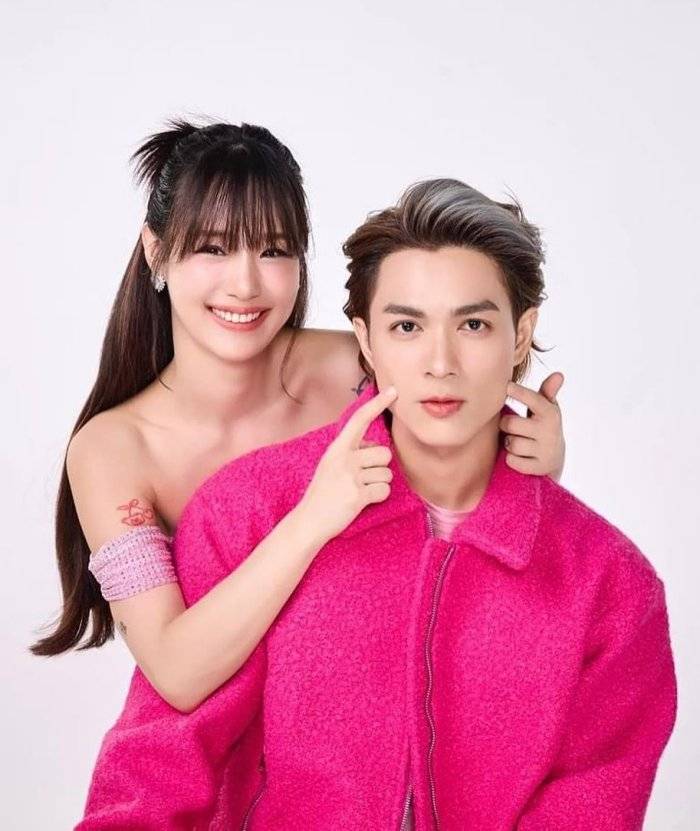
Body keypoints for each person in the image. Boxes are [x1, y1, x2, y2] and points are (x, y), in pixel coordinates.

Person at [77, 178, 676, 830]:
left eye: (474, 324)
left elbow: (594, 799)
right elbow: (160, 767)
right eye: (407, 326)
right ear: (365, 341)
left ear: (521, 334)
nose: (440, 362)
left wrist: (536, 492)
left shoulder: (611, 583)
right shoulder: (244, 513)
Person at [31, 120, 566, 716]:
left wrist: (538, 465)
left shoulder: (358, 368)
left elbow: (466, 524)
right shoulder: (112, 450)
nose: (245, 284)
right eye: (213, 248)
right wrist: (314, 517)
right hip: (233, 744)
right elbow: (176, 673)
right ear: (156, 251)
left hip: (377, 718)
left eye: (274, 250)